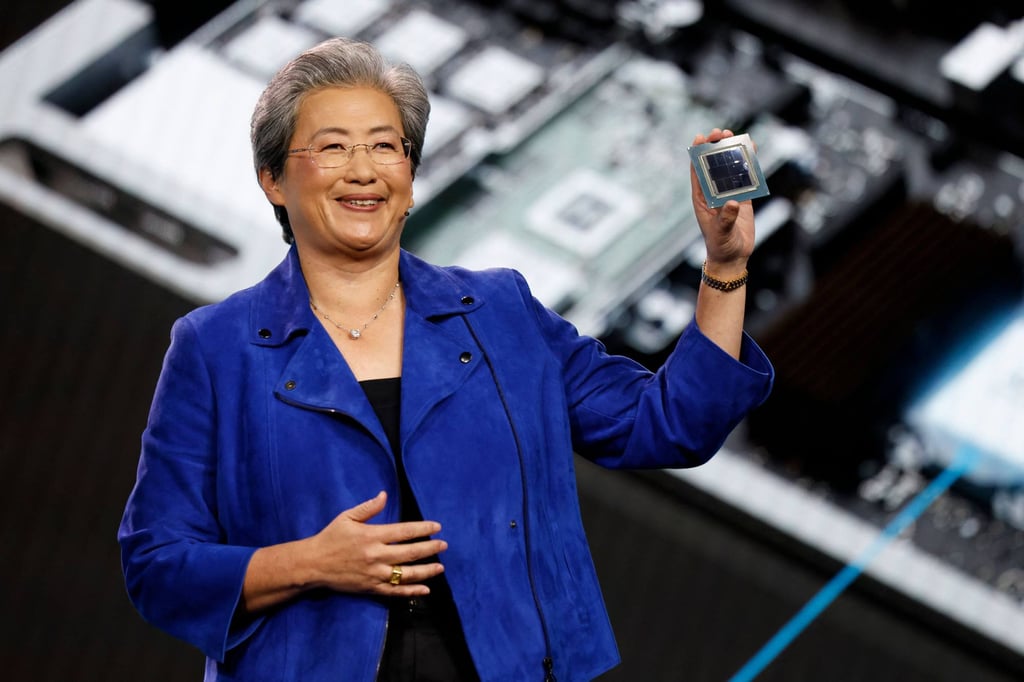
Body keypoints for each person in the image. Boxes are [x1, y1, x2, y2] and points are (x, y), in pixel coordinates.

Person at [117, 36, 774, 682]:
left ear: (410, 177)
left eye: (386, 146)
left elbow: (668, 424)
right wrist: (311, 562)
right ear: (274, 180)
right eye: (333, 148)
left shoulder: (501, 311)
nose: (364, 170)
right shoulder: (215, 346)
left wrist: (725, 266)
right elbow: (156, 564)